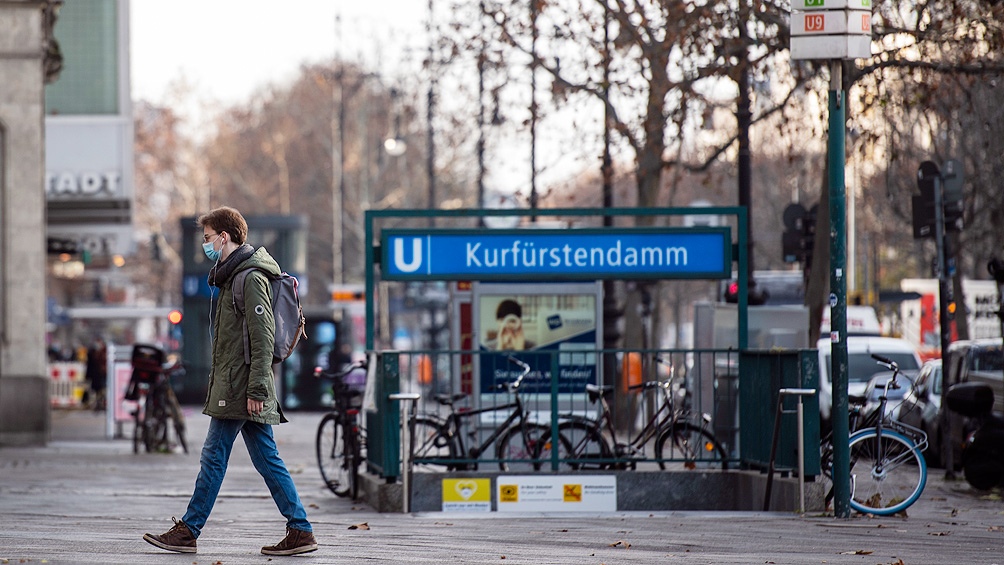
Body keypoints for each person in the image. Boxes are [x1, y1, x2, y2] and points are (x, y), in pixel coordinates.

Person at [144, 206, 317, 556]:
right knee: (267, 458)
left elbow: (263, 336)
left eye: (207, 239)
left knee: (214, 454)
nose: (205, 245)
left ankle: (190, 530)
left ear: (225, 237)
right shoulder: (232, 276)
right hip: (237, 383)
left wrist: (256, 388)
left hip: (241, 387)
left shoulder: (248, 277)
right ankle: (300, 529)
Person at [84, 336, 108, 410]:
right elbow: (89, 365)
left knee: (103, 390)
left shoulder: (105, 352)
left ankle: (102, 404)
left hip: (103, 375)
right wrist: (87, 376)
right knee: (96, 391)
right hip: (95, 376)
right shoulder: (91, 353)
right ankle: (98, 404)